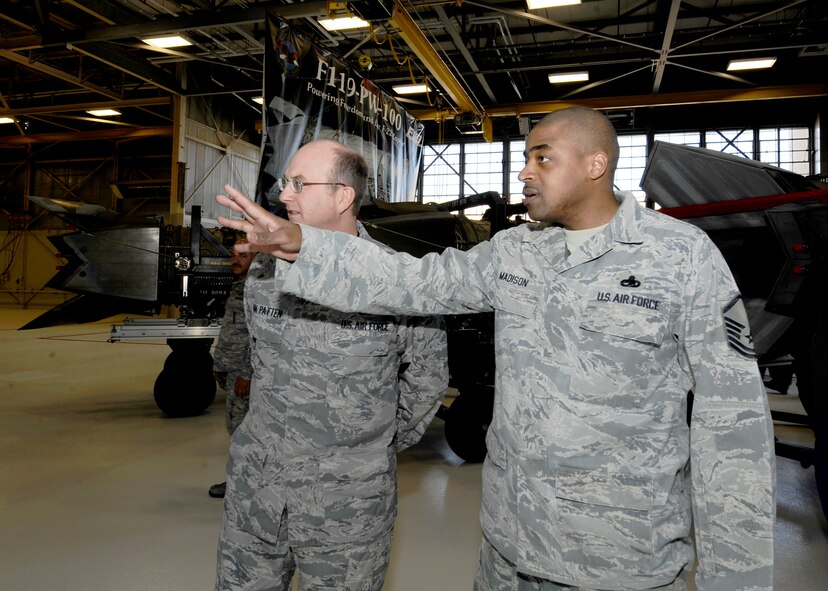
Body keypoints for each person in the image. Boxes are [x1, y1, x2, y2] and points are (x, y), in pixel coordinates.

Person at [216, 107, 776, 590]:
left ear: (594, 165)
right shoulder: (514, 254)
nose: (523, 171)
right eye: (525, 157)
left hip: (618, 555)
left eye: (542, 158)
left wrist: (737, 576)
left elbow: (733, 429)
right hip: (510, 548)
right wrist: (303, 244)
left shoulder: (680, 257)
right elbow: (414, 283)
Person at [214, 139, 449, 591]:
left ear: (343, 197)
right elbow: (258, 361)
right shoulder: (265, 274)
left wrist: (366, 445)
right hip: (257, 495)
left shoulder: (399, 281)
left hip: (346, 509)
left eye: (299, 184)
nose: (284, 195)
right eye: (285, 183)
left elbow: (427, 380)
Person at [209, 239, 255, 499]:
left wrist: (247, 374)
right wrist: (221, 364)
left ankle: (241, 486)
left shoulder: (254, 291)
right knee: (236, 429)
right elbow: (232, 332)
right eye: (234, 256)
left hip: (244, 374)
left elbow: (257, 335)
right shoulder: (238, 288)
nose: (236, 261)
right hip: (232, 368)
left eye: (243, 256)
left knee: (242, 432)